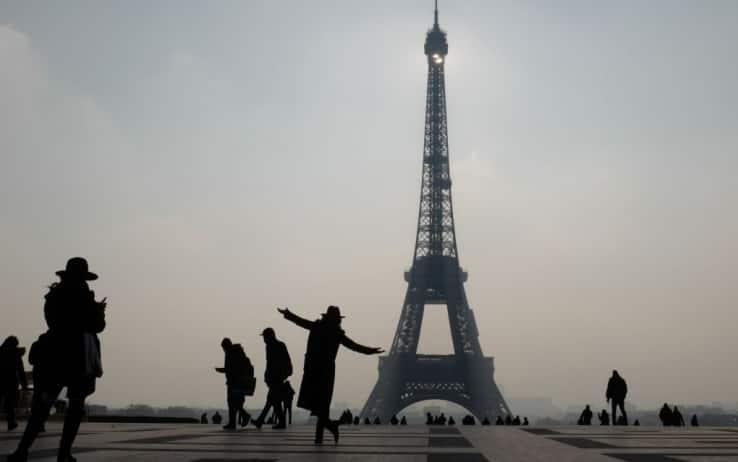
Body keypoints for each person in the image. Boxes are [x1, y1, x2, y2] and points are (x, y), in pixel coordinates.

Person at [9, 257, 106, 462]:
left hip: (53, 355)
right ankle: (63, 453)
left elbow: (52, 321)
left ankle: (22, 450)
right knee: (75, 406)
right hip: (78, 357)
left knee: (42, 407)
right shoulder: (85, 298)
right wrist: (98, 312)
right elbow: (97, 326)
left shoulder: (54, 296)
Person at [279, 306, 383, 444]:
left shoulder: (318, 327)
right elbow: (354, 346)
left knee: (318, 405)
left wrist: (288, 314)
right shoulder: (336, 333)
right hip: (326, 370)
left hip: (313, 369)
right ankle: (326, 431)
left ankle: (321, 435)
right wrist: (370, 351)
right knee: (323, 404)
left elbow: (301, 322)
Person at [252, 328, 292, 430]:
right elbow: (269, 363)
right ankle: (261, 421)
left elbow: (279, 362)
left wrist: (279, 374)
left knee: (272, 400)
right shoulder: (271, 346)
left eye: (265, 337)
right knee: (273, 400)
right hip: (275, 377)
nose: (264, 339)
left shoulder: (277, 346)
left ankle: (262, 421)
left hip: (277, 377)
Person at [216, 338, 254, 430]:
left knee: (232, 402)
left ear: (225, 346)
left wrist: (221, 370)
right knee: (236, 402)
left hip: (234, 382)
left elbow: (231, 368)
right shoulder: (238, 352)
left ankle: (240, 418)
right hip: (240, 381)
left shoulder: (230, 353)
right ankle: (234, 422)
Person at [0, 337, 28, 431]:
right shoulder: (16, 354)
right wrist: (24, 384)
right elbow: (21, 371)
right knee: (9, 404)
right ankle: (11, 421)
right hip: (11, 381)